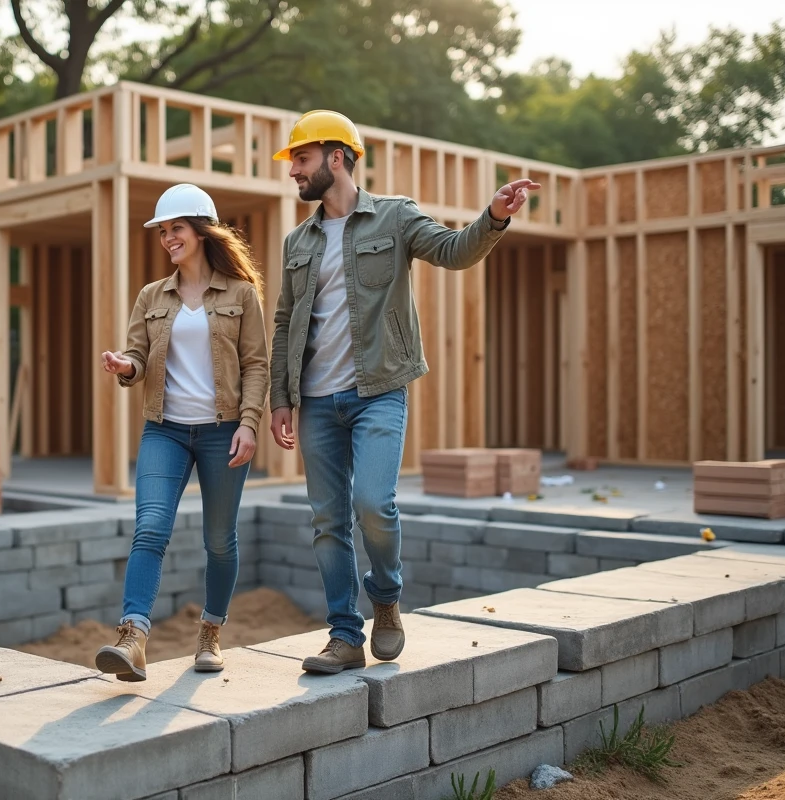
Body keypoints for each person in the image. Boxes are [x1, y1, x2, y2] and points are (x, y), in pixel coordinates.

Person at [267, 110, 539, 674]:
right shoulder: (299, 239)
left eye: (300, 158)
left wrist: (493, 216)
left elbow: (454, 251)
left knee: (373, 503)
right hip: (316, 401)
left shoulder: (394, 216)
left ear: (335, 157)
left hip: (379, 391)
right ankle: (344, 636)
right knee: (326, 522)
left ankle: (386, 598)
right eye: (293, 160)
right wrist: (280, 397)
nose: (293, 170)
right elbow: (285, 320)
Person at [95, 183, 270, 681]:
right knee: (150, 527)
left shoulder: (240, 294)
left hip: (223, 431)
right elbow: (137, 359)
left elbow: (257, 365)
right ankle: (133, 637)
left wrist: (251, 424)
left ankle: (211, 632)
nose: (168, 238)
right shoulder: (152, 296)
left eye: (176, 229)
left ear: (200, 230)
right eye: (163, 231)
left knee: (220, 541)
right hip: (164, 431)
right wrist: (123, 366)